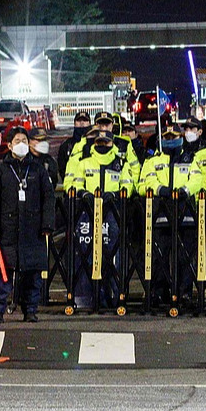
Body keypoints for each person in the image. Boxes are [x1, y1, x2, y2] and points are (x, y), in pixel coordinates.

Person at [64, 119, 137, 312]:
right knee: (86, 255)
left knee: (113, 256)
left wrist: (117, 195)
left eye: (106, 143)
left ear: (113, 143)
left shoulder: (121, 163)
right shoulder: (84, 162)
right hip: (87, 214)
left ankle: (114, 296)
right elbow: (74, 184)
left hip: (113, 214)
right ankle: (87, 297)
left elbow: (128, 184)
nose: (103, 146)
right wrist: (83, 194)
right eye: (99, 143)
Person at [0, 126, 54, 323]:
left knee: (32, 275)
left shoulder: (38, 170)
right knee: (3, 273)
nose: (22, 144)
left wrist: (47, 224)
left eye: (24, 140)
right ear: (9, 145)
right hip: (8, 231)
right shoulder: (0, 172)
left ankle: (30, 310)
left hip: (34, 231)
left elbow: (48, 197)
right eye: (17, 141)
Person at [136, 126, 205, 313]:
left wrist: (185, 191)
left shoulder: (191, 159)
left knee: (186, 256)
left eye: (173, 136)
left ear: (180, 137)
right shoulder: (152, 161)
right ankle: (159, 292)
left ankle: (185, 293)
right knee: (159, 255)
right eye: (166, 136)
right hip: (160, 214)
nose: (170, 139)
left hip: (186, 213)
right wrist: (160, 190)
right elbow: (142, 185)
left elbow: (198, 181)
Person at [55, 110, 92, 181]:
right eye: (79, 120)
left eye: (85, 120)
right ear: (74, 123)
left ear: (89, 123)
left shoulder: (95, 142)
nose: (82, 123)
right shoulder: (67, 145)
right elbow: (62, 167)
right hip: (72, 185)